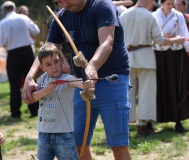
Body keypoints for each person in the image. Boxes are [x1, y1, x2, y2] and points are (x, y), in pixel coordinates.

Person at [23, 0, 131, 159]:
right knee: (76, 143)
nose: (64, 4)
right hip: (81, 85)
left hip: (111, 82)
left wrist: (93, 66)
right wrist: (30, 78)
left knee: (118, 145)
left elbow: (107, 42)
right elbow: (46, 51)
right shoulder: (61, 18)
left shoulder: (102, 6)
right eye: (59, 1)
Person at [120, 0, 185, 136]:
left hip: (127, 59)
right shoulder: (149, 16)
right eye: (152, 1)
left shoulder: (124, 15)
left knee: (128, 94)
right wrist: (176, 40)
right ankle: (142, 126)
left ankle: (124, 125)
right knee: (146, 93)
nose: (153, 4)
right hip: (145, 58)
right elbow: (160, 40)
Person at [31, 44, 93, 160]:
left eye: (56, 61)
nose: (54, 67)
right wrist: (45, 91)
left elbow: (76, 82)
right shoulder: (43, 79)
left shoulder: (66, 79)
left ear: (61, 60)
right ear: (42, 67)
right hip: (44, 133)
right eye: (48, 65)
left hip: (63, 135)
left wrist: (85, 83)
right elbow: (33, 97)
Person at [153, 0, 189, 132]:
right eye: (168, 4)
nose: (171, 6)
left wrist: (187, 46)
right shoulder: (154, 16)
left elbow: (184, 34)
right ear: (161, 3)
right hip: (159, 54)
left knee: (177, 85)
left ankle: (178, 119)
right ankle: (151, 120)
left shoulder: (178, 15)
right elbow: (151, 34)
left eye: (172, 4)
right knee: (158, 86)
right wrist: (163, 36)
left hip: (176, 54)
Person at [0, 1, 40, 118]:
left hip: (13, 54)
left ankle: (15, 112)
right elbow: (36, 31)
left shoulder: (2, 23)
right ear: (14, 8)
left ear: (4, 11)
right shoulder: (24, 18)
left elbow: (1, 42)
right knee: (31, 80)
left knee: (14, 84)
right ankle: (34, 110)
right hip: (27, 52)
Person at [174, 0, 189, 69]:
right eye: (176, 4)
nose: (177, 6)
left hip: (188, 43)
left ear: (185, 6)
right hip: (175, 42)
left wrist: (186, 38)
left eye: (179, 5)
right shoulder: (172, 17)